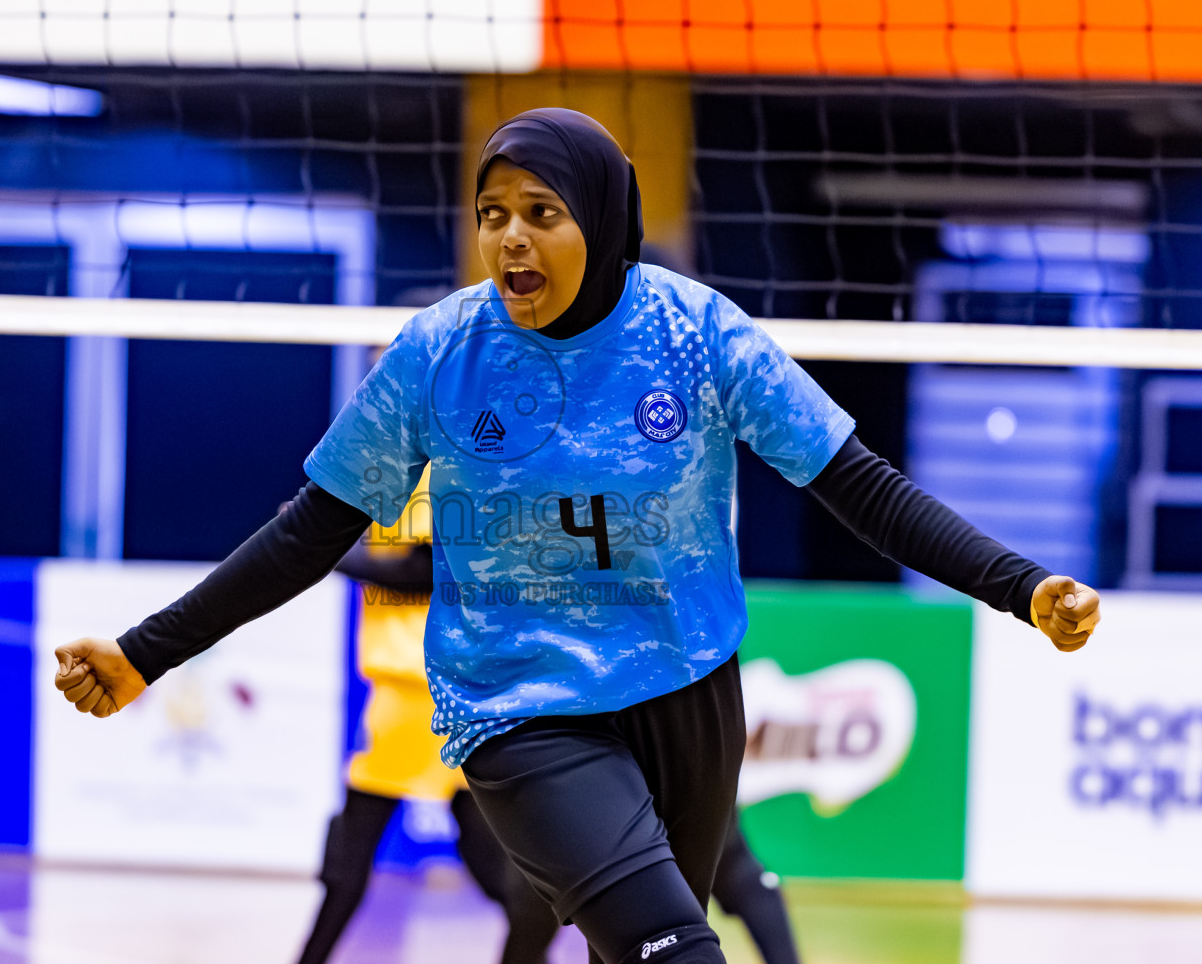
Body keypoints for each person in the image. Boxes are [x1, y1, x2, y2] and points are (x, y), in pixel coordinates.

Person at [53, 108, 1102, 964]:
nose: (509, 235)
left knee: (644, 946)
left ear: (600, 217)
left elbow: (859, 487)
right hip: (518, 703)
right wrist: (147, 652)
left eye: (541, 211)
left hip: (687, 686)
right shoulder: (438, 353)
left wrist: (1019, 585)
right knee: (675, 951)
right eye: (491, 212)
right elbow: (307, 531)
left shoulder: (697, 334)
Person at [293, 474, 555, 964]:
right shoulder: (406, 478)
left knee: (351, 857)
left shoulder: (444, 475)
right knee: (486, 857)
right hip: (441, 693)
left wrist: (321, 551)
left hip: (418, 696)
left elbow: (431, 568)